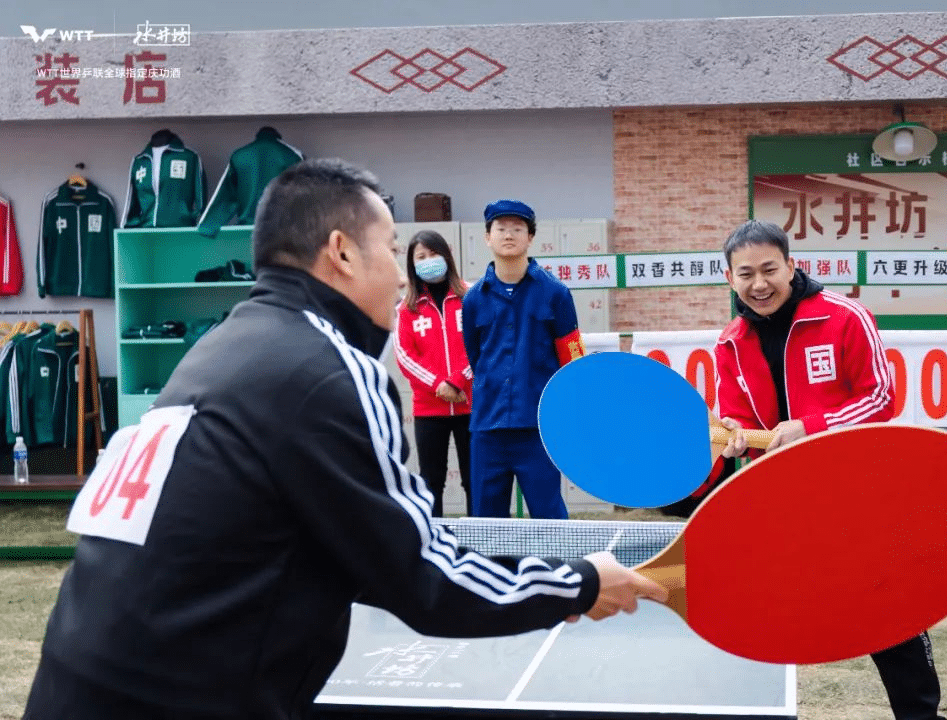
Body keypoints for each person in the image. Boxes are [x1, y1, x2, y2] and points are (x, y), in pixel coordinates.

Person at [22, 160, 665, 720]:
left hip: (79, 688)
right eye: (391, 247)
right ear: (342, 251)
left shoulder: (222, 348)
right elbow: (418, 574)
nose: (401, 268)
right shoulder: (327, 370)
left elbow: (333, 547)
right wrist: (579, 583)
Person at [713, 219, 946, 720]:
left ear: (792, 265)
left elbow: (881, 398)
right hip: (783, 499)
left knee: (889, 613)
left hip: (858, 493)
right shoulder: (730, 342)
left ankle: (921, 716)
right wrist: (734, 436)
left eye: (769, 269)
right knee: (763, 614)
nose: (759, 284)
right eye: (746, 273)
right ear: (730, 278)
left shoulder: (844, 316)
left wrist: (812, 426)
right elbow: (740, 419)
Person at [460, 199, 584, 519]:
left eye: (518, 228)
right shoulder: (474, 299)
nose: (509, 235)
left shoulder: (555, 293)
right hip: (488, 427)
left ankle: (559, 571)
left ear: (531, 237)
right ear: (487, 237)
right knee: (487, 521)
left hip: (537, 427)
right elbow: (476, 356)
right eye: (500, 228)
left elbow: (572, 356)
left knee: (549, 516)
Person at [394, 230, 473, 516]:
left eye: (434, 254)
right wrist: (439, 384)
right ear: (412, 265)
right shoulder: (407, 308)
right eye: (421, 257)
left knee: (474, 480)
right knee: (432, 482)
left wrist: (457, 380)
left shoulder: (471, 296)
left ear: (446, 256)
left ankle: (481, 545)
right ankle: (435, 547)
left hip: (471, 405)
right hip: (429, 409)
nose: (429, 261)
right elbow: (405, 355)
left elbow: (484, 344)